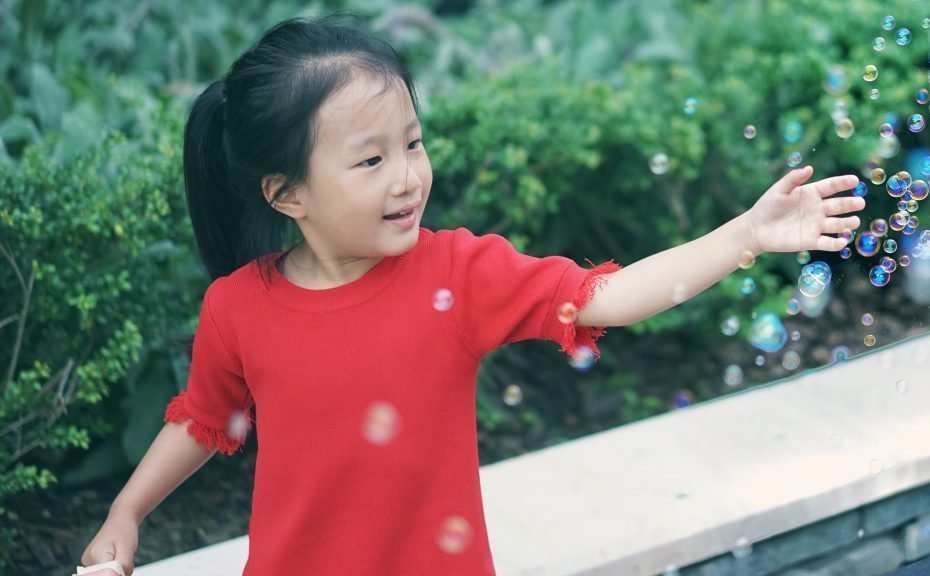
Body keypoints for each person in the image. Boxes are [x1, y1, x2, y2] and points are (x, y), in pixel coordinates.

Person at [78, 12, 865, 576]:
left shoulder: (456, 273)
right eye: (370, 160)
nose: (408, 177)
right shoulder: (239, 307)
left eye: (413, 143)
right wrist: (126, 512)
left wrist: (745, 235)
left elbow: (608, 296)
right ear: (287, 194)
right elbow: (203, 419)